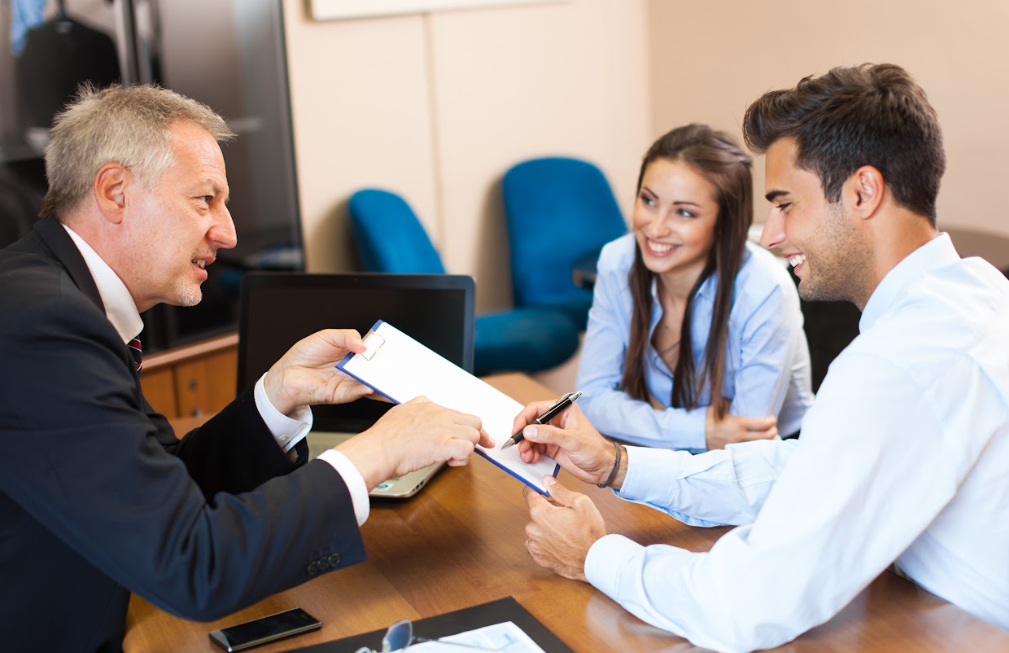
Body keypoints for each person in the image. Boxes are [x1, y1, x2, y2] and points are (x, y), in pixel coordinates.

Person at [515, 64, 1009, 652]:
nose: (771, 234)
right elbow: (805, 472)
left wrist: (594, 555)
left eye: (785, 204)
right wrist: (618, 465)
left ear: (863, 192)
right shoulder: (975, 295)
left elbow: (746, 606)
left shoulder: (896, 363)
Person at [0, 84, 492, 653]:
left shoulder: (55, 296)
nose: (228, 233)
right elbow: (193, 563)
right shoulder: (45, 325)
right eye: (204, 200)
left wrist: (274, 400)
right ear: (114, 192)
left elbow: (162, 480)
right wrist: (376, 453)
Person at [577, 124, 813, 451]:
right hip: (667, 455)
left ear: (723, 224)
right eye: (648, 201)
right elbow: (590, 399)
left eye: (684, 212)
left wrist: (643, 422)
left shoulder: (764, 289)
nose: (655, 228)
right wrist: (699, 431)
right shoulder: (618, 262)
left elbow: (747, 443)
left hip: (774, 465)